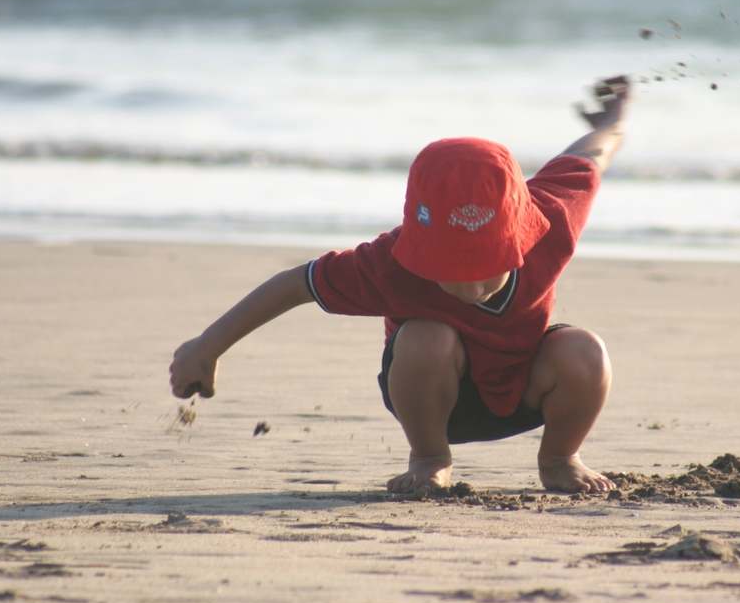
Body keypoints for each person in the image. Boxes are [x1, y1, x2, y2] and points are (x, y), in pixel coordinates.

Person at [169, 76, 631, 494]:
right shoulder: (391, 265)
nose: (471, 288)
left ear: (522, 235)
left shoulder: (553, 217)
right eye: (450, 270)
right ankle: (430, 458)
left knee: (585, 350)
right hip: (433, 398)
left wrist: (614, 119)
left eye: (487, 266)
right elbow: (296, 285)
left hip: (524, 389)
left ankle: (559, 457)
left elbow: (591, 154)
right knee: (428, 336)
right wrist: (207, 347)